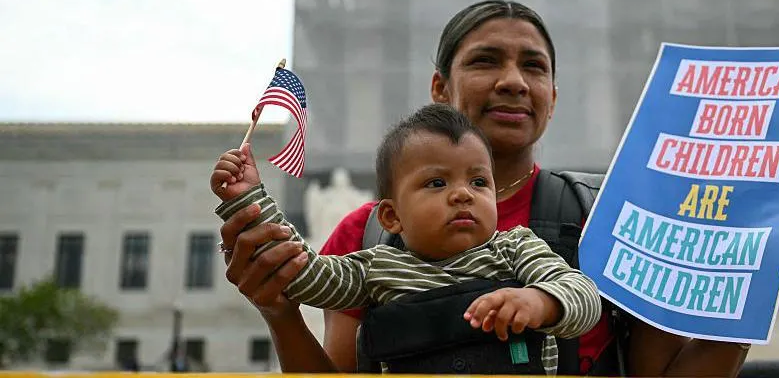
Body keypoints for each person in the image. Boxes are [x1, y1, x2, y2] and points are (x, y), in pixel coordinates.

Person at [211, 0, 779, 377]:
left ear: (551, 96)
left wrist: (763, 255)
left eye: (534, 67)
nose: (514, 80)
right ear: (440, 89)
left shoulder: (613, 219)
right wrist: (277, 308)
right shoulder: (366, 235)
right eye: (486, 60)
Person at [211, 103, 602, 374]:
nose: (463, 193)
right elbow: (300, 271)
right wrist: (248, 199)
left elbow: (583, 295)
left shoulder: (517, 247)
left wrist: (540, 300)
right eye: (437, 182)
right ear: (391, 216)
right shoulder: (375, 267)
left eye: (479, 182)